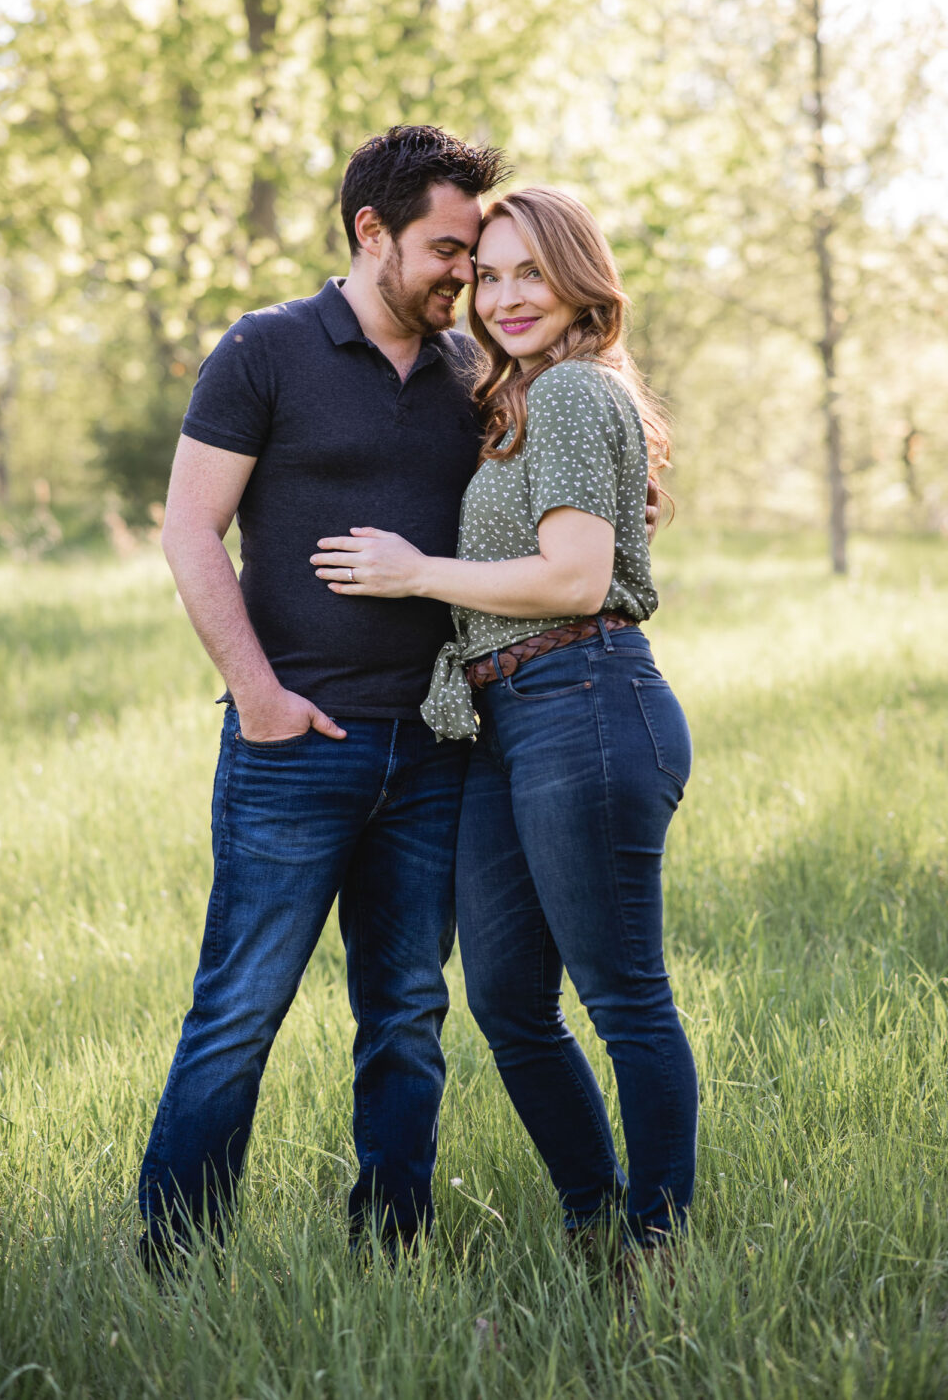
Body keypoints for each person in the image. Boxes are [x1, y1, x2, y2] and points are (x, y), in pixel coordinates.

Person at [137, 125, 510, 1265]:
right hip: (292, 744)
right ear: (371, 231)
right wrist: (256, 695)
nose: (466, 274)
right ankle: (176, 1260)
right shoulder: (265, 349)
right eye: (447, 249)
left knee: (406, 1014)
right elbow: (189, 529)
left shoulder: (470, 374)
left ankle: (392, 1247)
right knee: (239, 1008)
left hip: (433, 747)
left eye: (473, 253)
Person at [310, 186, 698, 1269]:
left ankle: (658, 1245)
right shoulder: (527, 397)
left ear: (580, 279)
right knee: (509, 1000)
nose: (505, 295)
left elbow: (574, 579)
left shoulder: (570, 390)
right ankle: (594, 1221)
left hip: (585, 703)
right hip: (507, 716)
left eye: (532, 271)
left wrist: (413, 572)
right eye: (487, 274)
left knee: (624, 996)